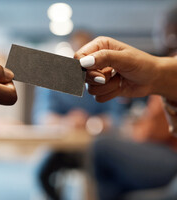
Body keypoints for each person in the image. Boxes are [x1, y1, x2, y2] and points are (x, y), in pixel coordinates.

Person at [74, 0, 177, 200]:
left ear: (172, 32)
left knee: (102, 148)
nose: (156, 35)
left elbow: (153, 132)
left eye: (160, 29)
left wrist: (129, 129)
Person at [33, 30, 125, 200]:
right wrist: (67, 121)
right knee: (42, 175)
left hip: (93, 147)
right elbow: (42, 116)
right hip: (62, 147)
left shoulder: (105, 77)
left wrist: (91, 122)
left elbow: (116, 117)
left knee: (101, 181)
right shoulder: (55, 77)